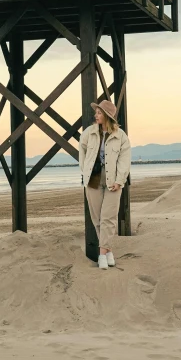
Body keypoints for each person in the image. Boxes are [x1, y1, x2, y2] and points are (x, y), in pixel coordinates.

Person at [78, 100, 132, 270]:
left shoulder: (120, 136)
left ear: (107, 116)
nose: (96, 115)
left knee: (109, 217)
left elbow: (125, 160)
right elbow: (83, 153)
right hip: (93, 179)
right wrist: (84, 171)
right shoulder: (89, 133)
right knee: (97, 219)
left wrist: (119, 180)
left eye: (99, 113)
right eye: (96, 113)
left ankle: (101, 255)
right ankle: (108, 251)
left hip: (113, 181)